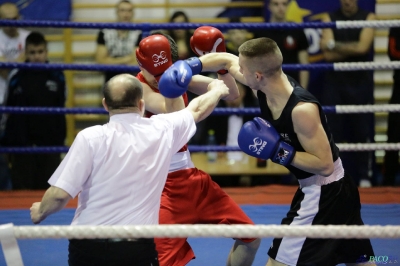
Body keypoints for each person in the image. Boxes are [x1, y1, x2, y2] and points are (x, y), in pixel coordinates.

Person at [187, 37, 375, 265]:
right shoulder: (266, 86)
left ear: (257, 76)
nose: (238, 72)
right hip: (336, 191)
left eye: (243, 70)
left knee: (277, 262)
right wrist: (190, 65)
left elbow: (325, 165)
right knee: (359, 260)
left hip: (323, 194)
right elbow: (226, 59)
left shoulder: (301, 110)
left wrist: (279, 151)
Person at [29, 73, 231, 266]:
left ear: (105, 105)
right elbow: (196, 110)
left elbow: (58, 195)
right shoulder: (161, 130)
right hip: (136, 247)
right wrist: (217, 89)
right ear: (141, 104)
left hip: (87, 245)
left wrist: (40, 212)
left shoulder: (89, 137)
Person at [136, 31, 261, 266]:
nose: (156, 78)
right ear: (139, 65)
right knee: (163, 262)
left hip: (193, 180)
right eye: (151, 72)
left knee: (251, 238)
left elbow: (232, 93)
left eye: (163, 73)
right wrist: (212, 89)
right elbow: (173, 113)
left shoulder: (179, 74)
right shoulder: (137, 89)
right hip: (161, 189)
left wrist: (221, 69)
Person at [320, 0, 376, 187]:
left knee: (361, 131)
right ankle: (333, 176)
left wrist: (334, 44)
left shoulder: (369, 17)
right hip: (335, 83)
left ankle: (365, 175)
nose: (347, 1)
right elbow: (327, 55)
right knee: (332, 132)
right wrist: (352, 48)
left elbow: (363, 48)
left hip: (360, 83)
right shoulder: (329, 17)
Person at [0, 31, 66, 190]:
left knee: (48, 190)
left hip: (50, 142)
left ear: (46, 52)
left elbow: (62, 106)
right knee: (22, 190)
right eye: (32, 52)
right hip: (22, 143)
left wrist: (58, 139)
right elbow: (8, 108)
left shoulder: (57, 75)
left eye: (40, 52)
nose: (37, 56)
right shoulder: (16, 75)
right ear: (25, 53)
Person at [0, 2, 30, 190]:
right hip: (1, 95)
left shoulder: (27, 36)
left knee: (20, 140)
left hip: (21, 97)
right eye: (7, 19)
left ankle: (19, 185)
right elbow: (4, 71)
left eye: (14, 18)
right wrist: (21, 61)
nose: (12, 23)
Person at [253, 0, 309, 89]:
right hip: (267, 87)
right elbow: (254, 64)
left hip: (292, 85)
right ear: (269, 6)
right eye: (276, 4)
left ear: (288, 6)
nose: (280, 8)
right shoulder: (260, 32)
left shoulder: (297, 30)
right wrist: (255, 90)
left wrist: (302, 91)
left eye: (284, 4)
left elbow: (304, 64)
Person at [95, 0, 141, 82]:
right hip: (110, 78)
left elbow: (135, 62)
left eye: (129, 11)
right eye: (122, 10)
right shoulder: (105, 32)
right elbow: (100, 61)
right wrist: (126, 59)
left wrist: (111, 61)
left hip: (132, 79)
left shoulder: (138, 33)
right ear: (116, 12)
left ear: (133, 13)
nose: (126, 14)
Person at [383, 27, 400, 186]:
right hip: (399, 87)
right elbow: (393, 53)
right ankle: (388, 179)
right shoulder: (396, 27)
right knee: (394, 134)